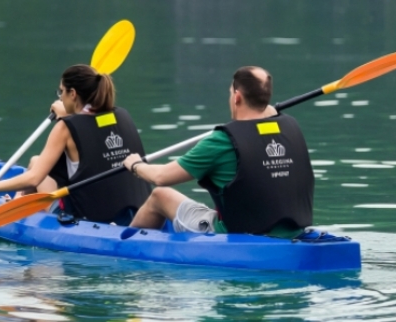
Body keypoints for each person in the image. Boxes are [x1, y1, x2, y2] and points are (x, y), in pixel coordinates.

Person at [121, 66, 313, 238]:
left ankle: (123, 246)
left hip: (235, 233)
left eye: (231, 93)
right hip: (293, 231)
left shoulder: (221, 142)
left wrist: (135, 165)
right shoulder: (290, 129)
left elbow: (161, 177)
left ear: (237, 97)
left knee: (159, 196)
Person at [0, 65, 152, 225]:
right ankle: (18, 200)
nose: (60, 97)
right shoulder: (121, 116)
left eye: (61, 92)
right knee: (36, 160)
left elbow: (34, 178)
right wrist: (68, 113)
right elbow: (91, 125)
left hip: (88, 219)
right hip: (133, 214)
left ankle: (20, 208)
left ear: (72, 94)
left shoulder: (64, 128)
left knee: (36, 167)